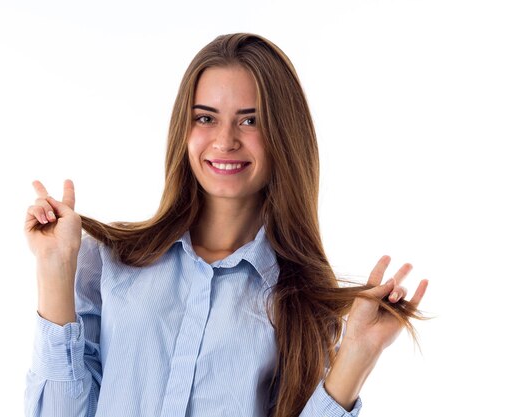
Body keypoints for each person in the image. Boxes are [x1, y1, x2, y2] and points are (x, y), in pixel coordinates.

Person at [24, 33, 428, 417]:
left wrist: (357, 352)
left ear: (284, 136)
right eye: (206, 118)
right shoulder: (111, 262)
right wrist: (55, 269)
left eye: (250, 121)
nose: (225, 141)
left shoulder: (300, 302)